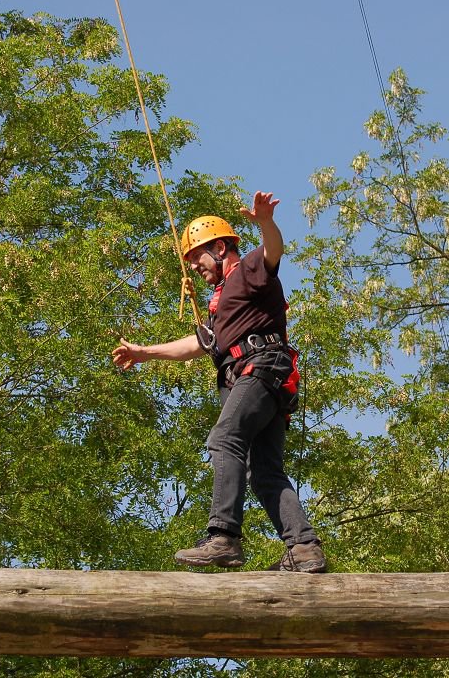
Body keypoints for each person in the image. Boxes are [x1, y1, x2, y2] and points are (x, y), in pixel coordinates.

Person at [112, 191, 326, 573]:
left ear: (221, 248)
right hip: (264, 381)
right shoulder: (222, 303)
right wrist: (145, 352)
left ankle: (224, 537)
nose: (194, 266)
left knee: (224, 438)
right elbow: (199, 344)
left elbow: (273, 251)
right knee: (264, 472)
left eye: (197, 256)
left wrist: (265, 222)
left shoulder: (247, 272)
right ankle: (304, 546)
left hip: (261, 369)